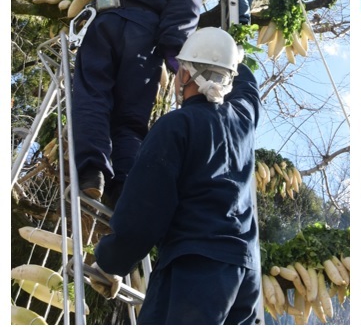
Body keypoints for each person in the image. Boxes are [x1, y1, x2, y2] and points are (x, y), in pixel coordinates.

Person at [92, 27, 261, 325]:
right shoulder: (243, 121)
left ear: (185, 75)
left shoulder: (177, 125)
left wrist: (110, 261)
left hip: (195, 269)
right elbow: (249, 90)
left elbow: (144, 210)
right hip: (245, 277)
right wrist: (232, 58)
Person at [72, 0, 214, 205]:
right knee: (130, 120)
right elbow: (179, 26)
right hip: (142, 40)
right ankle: (124, 187)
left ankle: (92, 173)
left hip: (104, 21)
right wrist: (180, 70)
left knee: (92, 96)